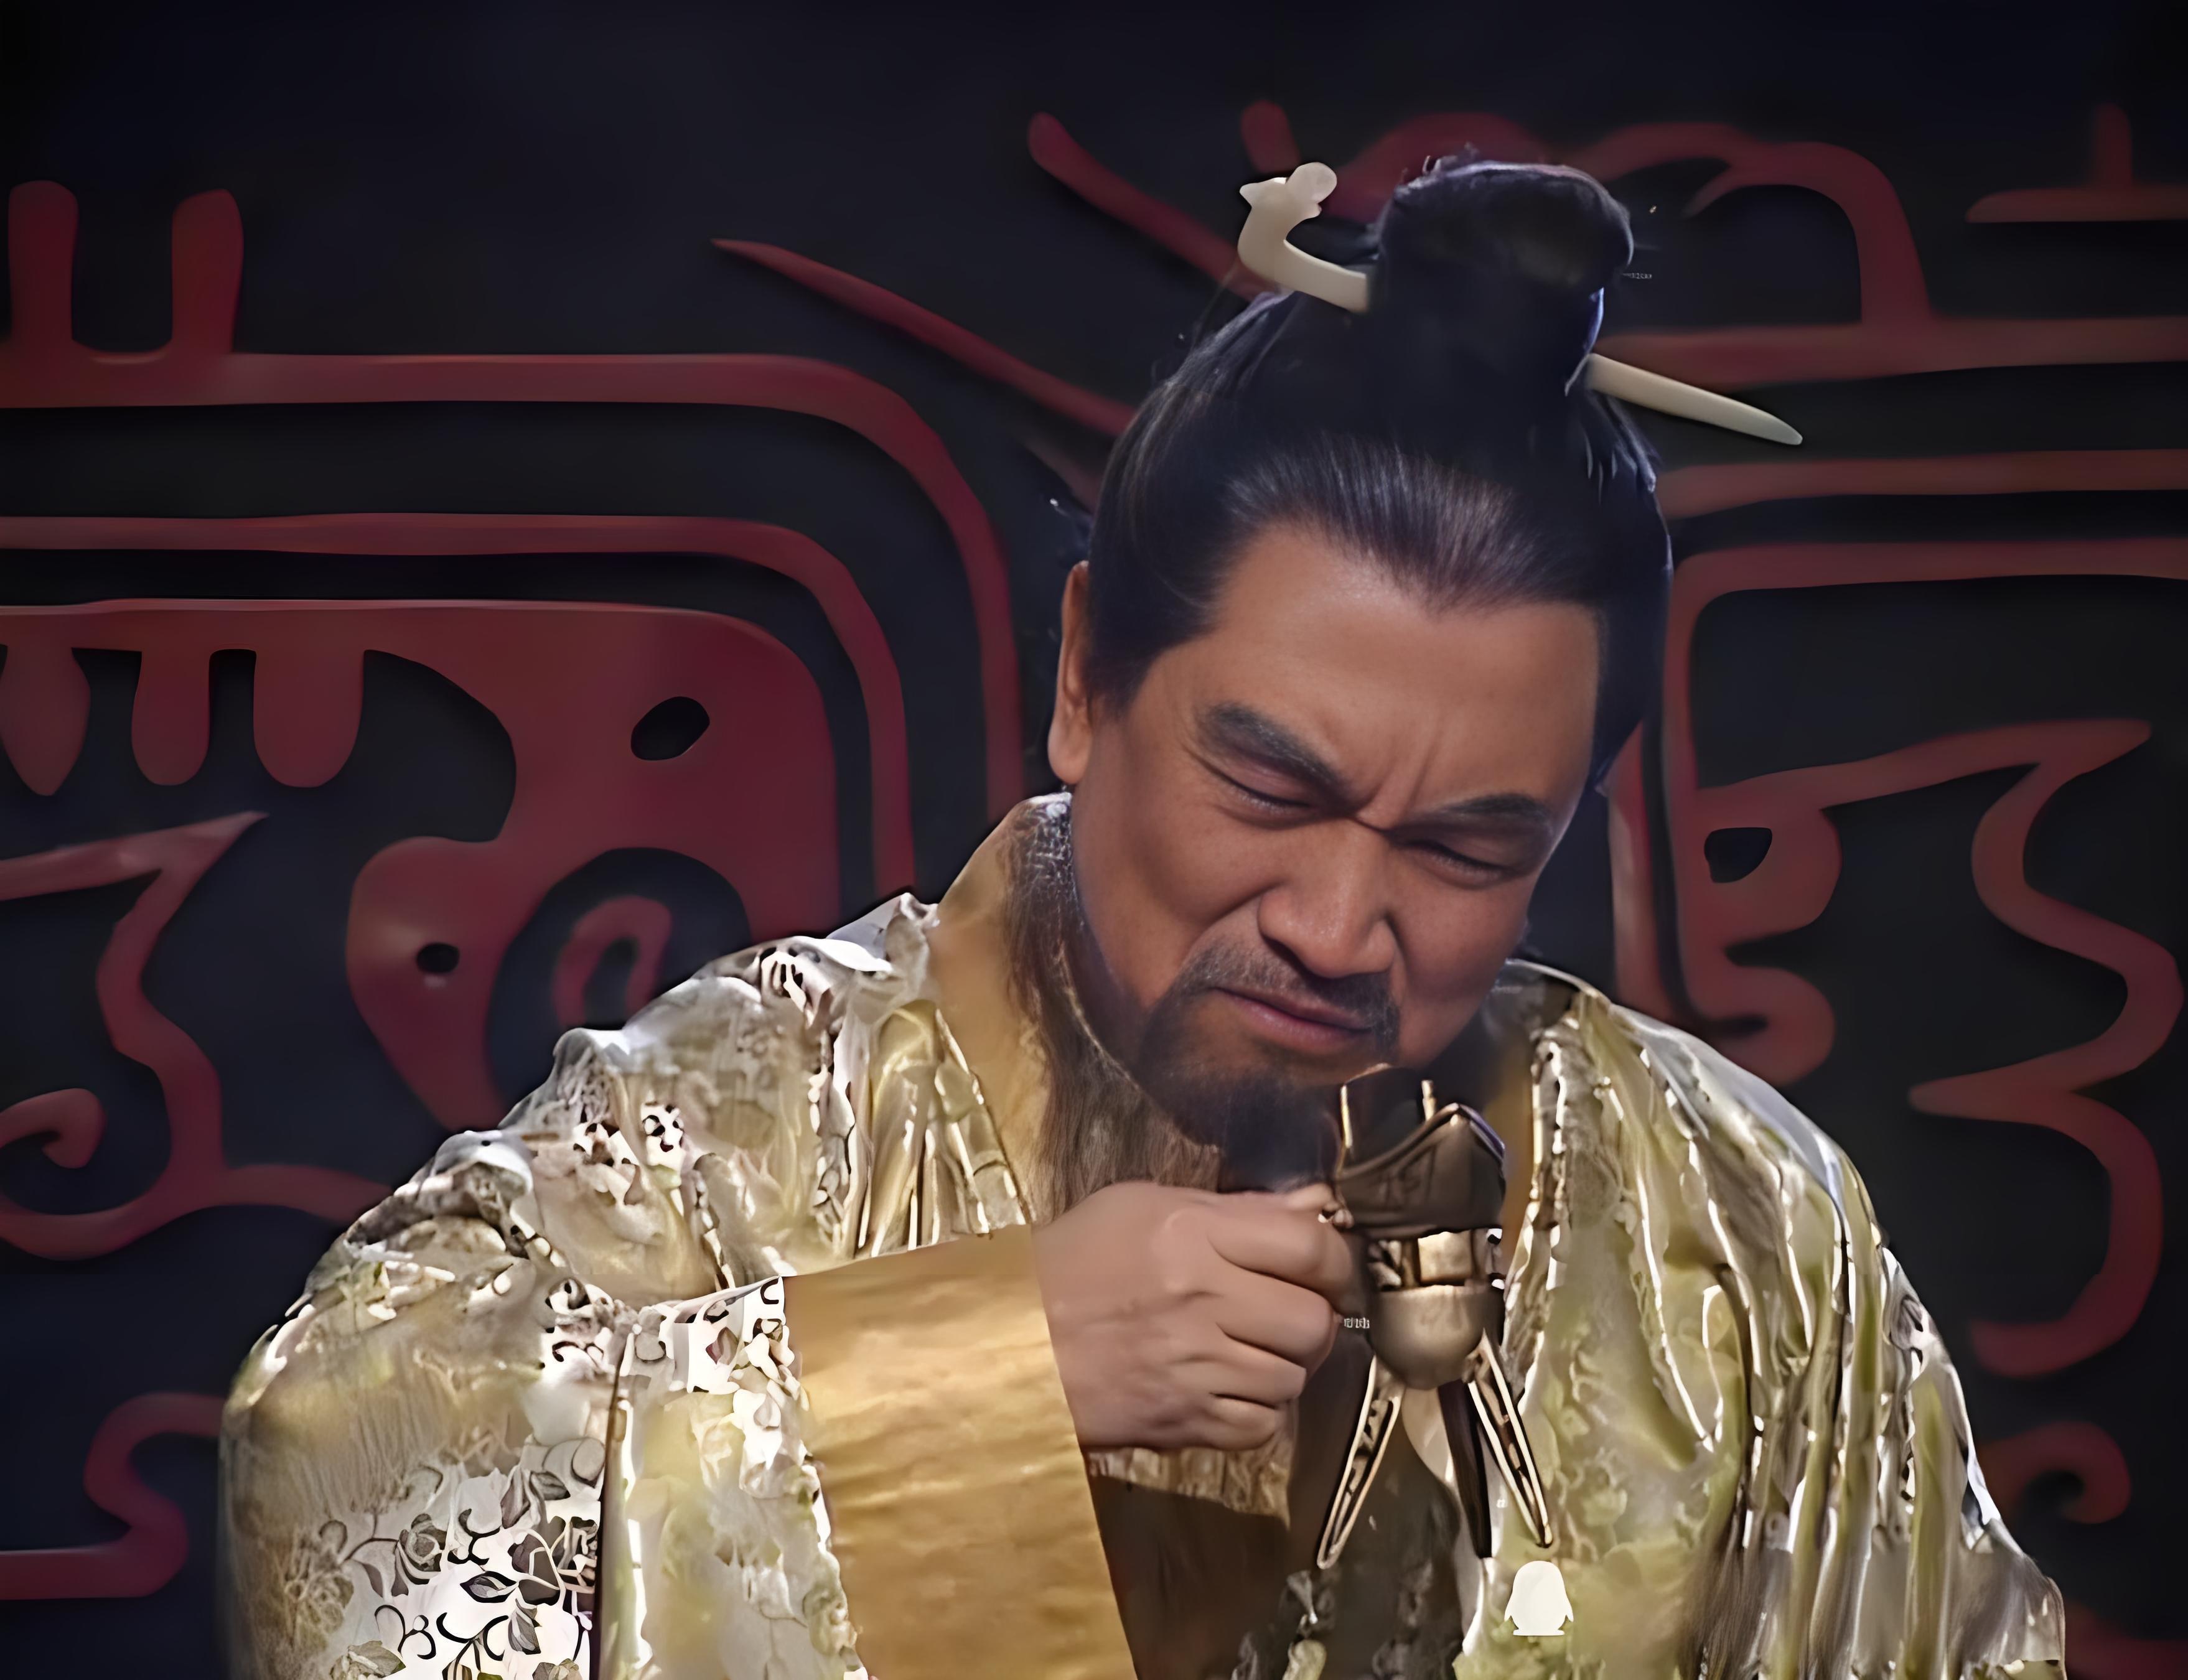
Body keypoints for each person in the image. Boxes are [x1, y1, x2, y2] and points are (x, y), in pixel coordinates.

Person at [219, 159, 2065, 1680]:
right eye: (1269, 790)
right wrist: (980, 1369)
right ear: (1087, 676)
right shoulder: (736, 1122)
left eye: (1463, 849)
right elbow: (328, 1499)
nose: (1340, 925)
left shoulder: (1734, 1227)